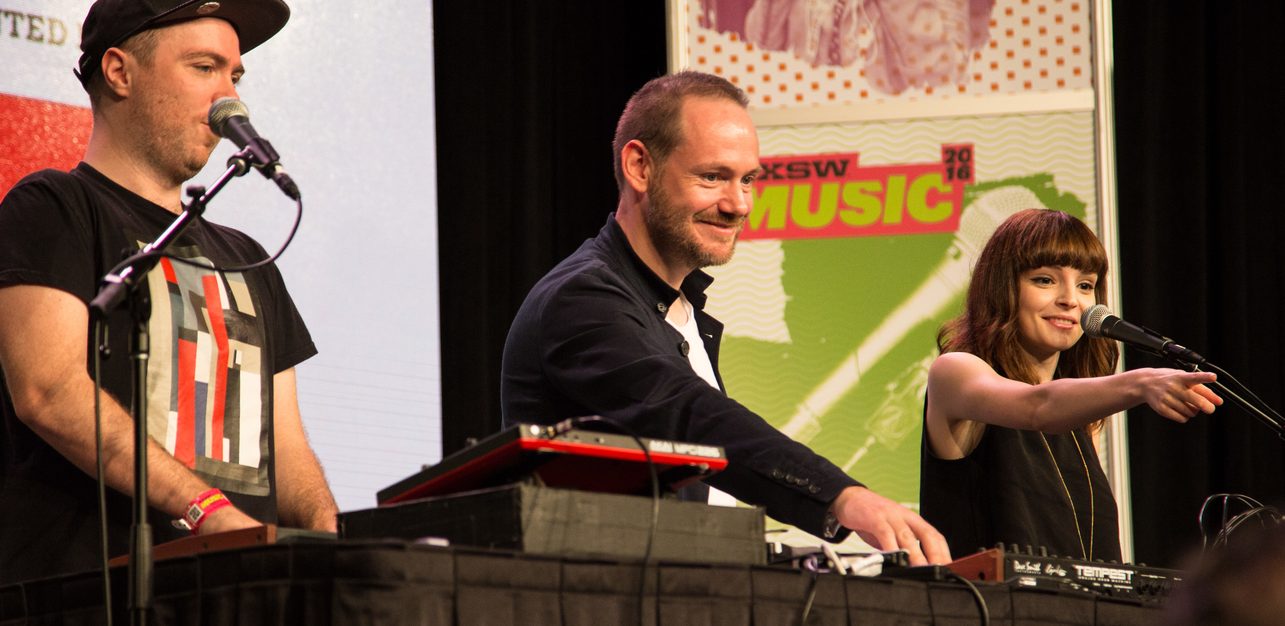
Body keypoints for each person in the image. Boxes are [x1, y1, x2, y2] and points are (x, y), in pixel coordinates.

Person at [501, 70, 950, 565]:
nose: (738, 205)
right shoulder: (581, 299)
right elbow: (689, 414)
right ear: (639, 167)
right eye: (712, 177)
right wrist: (843, 497)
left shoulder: (678, 307)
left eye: (748, 180)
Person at [0, 0, 337, 584]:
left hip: (238, 593)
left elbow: (284, 445)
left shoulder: (249, 256)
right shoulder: (53, 207)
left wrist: (331, 537)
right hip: (89, 593)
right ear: (119, 72)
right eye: (204, 68)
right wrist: (205, 508)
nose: (231, 99)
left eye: (235, 76)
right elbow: (47, 390)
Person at [919, 208, 1221, 561]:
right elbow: (1037, 407)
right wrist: (1141, 382)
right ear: (1002, 287)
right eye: (1045, 280)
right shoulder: (956, 371)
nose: (1070, 300)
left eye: (1085, 285)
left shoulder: (1077, 414)